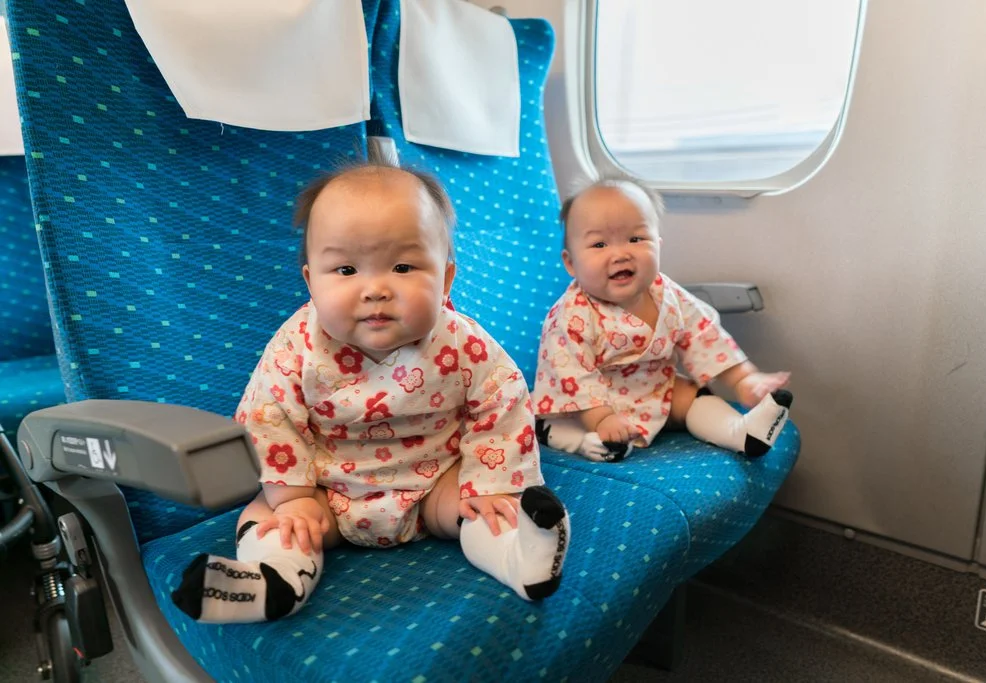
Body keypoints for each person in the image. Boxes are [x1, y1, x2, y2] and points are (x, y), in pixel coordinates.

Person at [171, 163, 570, 624]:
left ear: (445, 280)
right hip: (326, 492)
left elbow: (503, 401)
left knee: (487, 508)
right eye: (346, 269)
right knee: (275, 519)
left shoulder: (464, 343)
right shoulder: (295, 346)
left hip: (433, 488)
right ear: (311, 282)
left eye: (403, 267)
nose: (375, 289)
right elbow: (268, 418)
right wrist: (292, 496)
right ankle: (274, 580)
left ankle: (519, 559)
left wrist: (491, 483)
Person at [533, 176, 792, 463]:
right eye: (599, 244)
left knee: (691, 395)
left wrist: (743, 378)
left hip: (653, 388)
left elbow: (703, 334)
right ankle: (592, 442)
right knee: (564, 422)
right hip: (589, 403)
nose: (620, 254)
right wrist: (603, 417)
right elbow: (572, 376)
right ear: (571, 263)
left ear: (657, 245)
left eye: (635, 239)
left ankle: (740, 433)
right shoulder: (571, 316)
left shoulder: (665, 293)